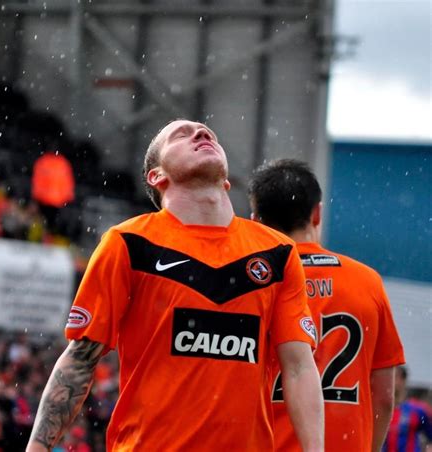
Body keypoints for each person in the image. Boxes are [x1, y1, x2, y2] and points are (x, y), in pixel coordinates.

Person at [26, 120, 324, 451]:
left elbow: (298, 367)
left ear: (226, 181)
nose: (203, 133)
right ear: (157, 176)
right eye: (181, 135)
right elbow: (80, 359)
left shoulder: (277, 253)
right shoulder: (128, 243)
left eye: (210, 133)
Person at [248, 158, 406, 452]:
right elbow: (384, 396)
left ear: (256, 220)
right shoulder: (366, 281)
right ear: (317, 213)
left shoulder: (253, 285)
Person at [383, 366, 432, 451]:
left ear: (403, 380)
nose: (389, 380)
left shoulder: (417, 410)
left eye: (394, 376)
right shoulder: (380, 410)